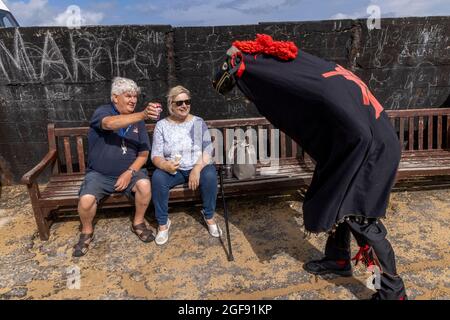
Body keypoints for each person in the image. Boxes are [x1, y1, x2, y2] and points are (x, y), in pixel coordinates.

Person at [213, 34, 407, 300]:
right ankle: (337, 259)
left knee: (360, 218)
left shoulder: (323, 83)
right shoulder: (322, 72)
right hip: (368, 144)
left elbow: (359, 134)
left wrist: (348, 160)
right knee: (335, 201)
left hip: (371, 152)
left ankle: (392, 291)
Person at [73, 77, 161, 257]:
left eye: (135, 97)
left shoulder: (138, 122)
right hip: (99, 174)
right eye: (128, 96)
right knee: (86, 200)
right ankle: (87, 231)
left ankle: (138, 222)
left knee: (145, 185)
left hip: (130, 173)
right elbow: (109, 124)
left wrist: (129, 172)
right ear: (115, 97)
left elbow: (143, 154)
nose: (133, 100)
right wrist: (143, 114)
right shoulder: (103, 112)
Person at [151, 85, 221, 245]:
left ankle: (209, 216)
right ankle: (163, 224)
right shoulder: (162, 125)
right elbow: (155, 155)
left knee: (210, 176)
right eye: (179, 102)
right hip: (174, 169)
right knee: (158, 178)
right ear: (171, 105)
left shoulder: (197, 122)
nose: (184, 105)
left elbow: (208, 149)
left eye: (187, 101)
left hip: (197, 165)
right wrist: (165, 165)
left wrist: (197, 168)